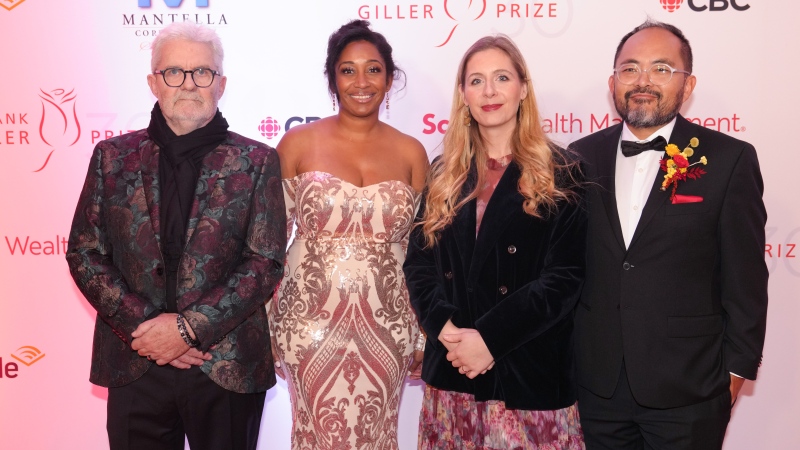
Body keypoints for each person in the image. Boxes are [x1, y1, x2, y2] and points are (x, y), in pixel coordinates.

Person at [66, 22, 286, 450]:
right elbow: (84, 252)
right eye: (174, 73)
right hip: (135, 359)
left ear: (220, 84)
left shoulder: (256, 161)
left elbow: (264, 263)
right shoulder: (112, 158)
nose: (188, 84)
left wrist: (188, 329)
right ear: (154, 81)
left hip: (224, 365)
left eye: (202, 72)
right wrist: (149, 328)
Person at [570, 20, 768, 450]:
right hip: (597, 387)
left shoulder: (729, 159)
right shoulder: (577, 159)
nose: (642, 81)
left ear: (687, 83)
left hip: (690, 389)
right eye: (630, 69)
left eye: (661, 68)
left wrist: (734, 374)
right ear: (613, 81)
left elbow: (747, 277)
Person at [403, 35, 586, 449]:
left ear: (523, 88)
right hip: (452, 376)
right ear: (463, 95)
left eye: (501, 78)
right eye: (476, 80)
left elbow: (564, 279)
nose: (489, 91)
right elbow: (418, 264)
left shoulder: (564, 172)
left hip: (528, 379)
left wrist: (489, 341)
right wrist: (444, 328)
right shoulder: (443, 173)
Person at [268, 20, 429, 450]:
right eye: (348, 70)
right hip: (307, 324)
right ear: (332, 79)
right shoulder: (296, 144)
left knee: (379, 435)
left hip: (389, 325)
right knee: (315, 434)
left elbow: (423, 254)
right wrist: (265, 328)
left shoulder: (412, 152)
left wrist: (422, 334)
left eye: (374, 70)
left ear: (390, 79)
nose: (362, 82)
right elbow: (268, 245)